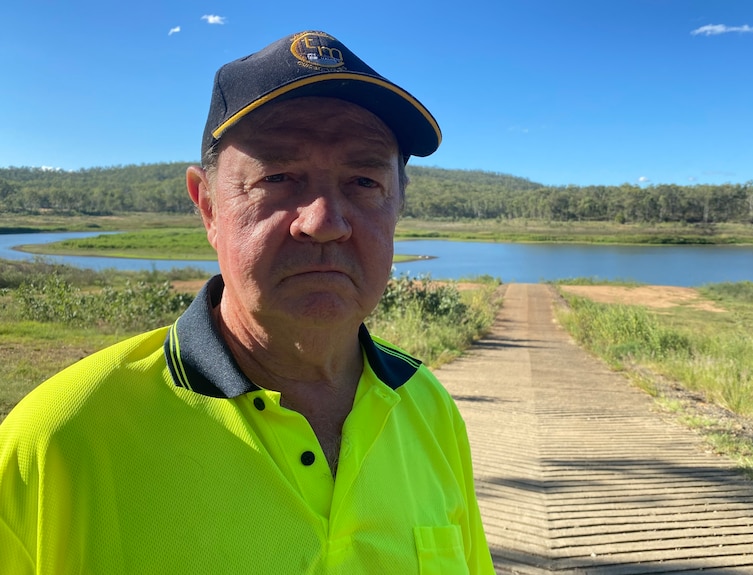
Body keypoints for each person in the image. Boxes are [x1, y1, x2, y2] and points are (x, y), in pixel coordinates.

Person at [0, 30, 494, 574]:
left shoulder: (429, 410)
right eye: (278, 177)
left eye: (362, 179)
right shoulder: (56, 443)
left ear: (399, 203)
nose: (324, 221)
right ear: (207, 205)